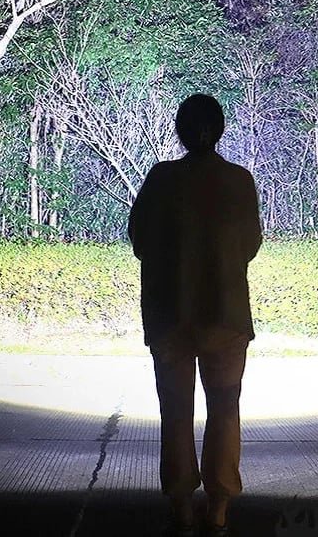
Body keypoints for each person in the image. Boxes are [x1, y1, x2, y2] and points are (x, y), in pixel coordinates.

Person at [128, 93, 262, 537]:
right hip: (226, 315)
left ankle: (182, 506)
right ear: (219, 131)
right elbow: (250, 246)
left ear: (179, 131)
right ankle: (219, 507)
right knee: (224, 407)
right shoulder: (239, 181)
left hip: (170, 317)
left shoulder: (161, 179)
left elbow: (140, 241)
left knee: (176, 410)